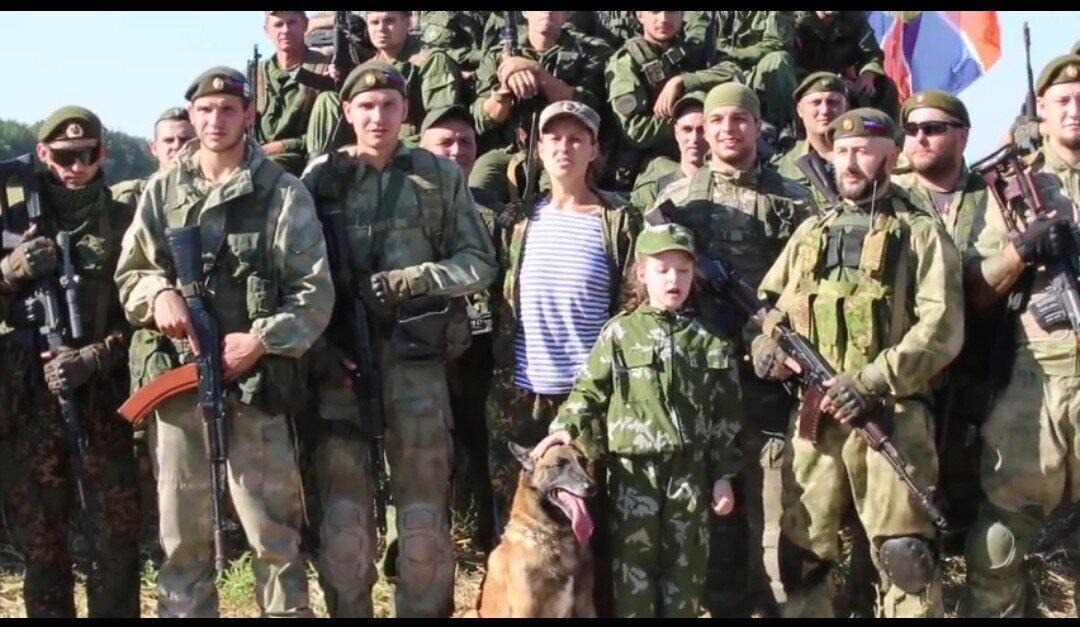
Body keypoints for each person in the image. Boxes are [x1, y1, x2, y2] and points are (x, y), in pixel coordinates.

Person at [114, 66, 332, 618]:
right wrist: (159, 295)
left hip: (255, 386)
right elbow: (132, 272)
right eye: (205, 111)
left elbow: (313, 294)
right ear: (192, 116)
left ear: (248, 115)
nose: (216, 120)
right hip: (180, 385)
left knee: (274, 537)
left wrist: (260, 339)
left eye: (228, 110)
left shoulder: (282, 192)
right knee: (181, 539)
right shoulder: (163, 190)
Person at [301, 60, 497, 618]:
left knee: (422, 516)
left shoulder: (438, 176)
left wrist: (411, 280)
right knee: (344, 519)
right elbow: (297, 276)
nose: (378, 117)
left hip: (417, 362)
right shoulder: (321, 180)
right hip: (342, 367)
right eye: (365, 106)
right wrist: (323, 350)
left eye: (389, 105)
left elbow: (479, 262)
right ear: (347, 112)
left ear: (406, 111)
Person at [751, 107, 964, 618]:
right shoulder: (811, 232)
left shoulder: (919, 233)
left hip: (891, 416)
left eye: (863, 152)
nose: (849, 162)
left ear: (891, 157)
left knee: (905, 558)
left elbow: (942, 329)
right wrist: (765, 348)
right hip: (815, 421)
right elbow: (767, 307)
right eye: (841, 151)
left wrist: (871, 380)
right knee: (802, 556)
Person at [649, 82, 814, 617]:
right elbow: (651, 287)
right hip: (702, 381)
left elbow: (810, 285)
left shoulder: (795, 199)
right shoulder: (679, 201)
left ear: (757, 125)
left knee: (775, 513)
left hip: (772, 380)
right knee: (714, 512)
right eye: (716, 120)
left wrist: (773, 336)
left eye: (739, 119)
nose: (726, 129)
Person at [532, 222, 743, 618]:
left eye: (683, 270)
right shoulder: (619, 334)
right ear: (642, 274)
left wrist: (723, 474)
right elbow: (590, 390)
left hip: (689, 474)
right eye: (662, 270)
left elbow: (726, 417)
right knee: (633, 574)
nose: (673, 280)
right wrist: (564, 428)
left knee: (686, 573)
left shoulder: (711, 341)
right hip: (633, 475)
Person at [0, 105, 141, 618]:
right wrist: (11, 270)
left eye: (87, 154)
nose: (77, 166)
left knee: (115, 544)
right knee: (41, 546)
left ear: (103, 153)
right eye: (64, 156)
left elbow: (146, 318)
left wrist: (96, 357)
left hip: (104, 400)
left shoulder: (127, 221)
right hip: (29, 402)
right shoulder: (12, 220)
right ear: (42, 154)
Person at [961, 54, 1080, 618]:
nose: (1075, 109)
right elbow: (977, 287)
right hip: (1038, 379)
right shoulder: (1015, 185)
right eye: (1064, 100)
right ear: (1043, 111)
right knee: (999, 543)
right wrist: (1022, 251)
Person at [418, 104, 501, 554]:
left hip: (481, 348)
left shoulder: (493, 211)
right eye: (444, 142)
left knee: (483, 443)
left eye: (465, 141)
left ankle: (489, 536)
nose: (456, 150)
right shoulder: (411, 208)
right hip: (423, 347)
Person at [470, 11, 612, 203]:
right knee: (478, 189)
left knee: (559, 196)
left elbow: (588, 108)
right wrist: (505, 88)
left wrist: (537, 71)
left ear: (567, 15)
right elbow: (483, 119)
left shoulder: (589, 52)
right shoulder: (498, 55)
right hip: (510, 150)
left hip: (562, 148)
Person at [603, 11, 740, 190]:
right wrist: (683, 121)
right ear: (640, 16)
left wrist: (683, 81)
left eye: (671, 11)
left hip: (705, 148)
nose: (663, 19)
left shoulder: (689, 50)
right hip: (653, 159)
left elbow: (733, 71)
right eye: (655, 12)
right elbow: (635, 131)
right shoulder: (626, 61)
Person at [255, 10, 334, 176]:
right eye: (278, 24)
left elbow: (333, 127)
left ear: (305, 24)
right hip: (259, 158)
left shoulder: (325, 67)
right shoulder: (256, 76)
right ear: (267, 30)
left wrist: (284, 146)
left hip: (309, 161)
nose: (285, 30)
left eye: (292, 23)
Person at [791, 11, 900, 120]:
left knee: (884, 86)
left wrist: (868, 73)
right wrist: (834, 82)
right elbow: (791, 63)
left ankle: (881, 127)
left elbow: (871, 53)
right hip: (803, 80)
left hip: (842, 80)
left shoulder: (852, 18)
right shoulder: (795, 21)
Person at [772, 71, 849, 203]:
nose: (825, 110)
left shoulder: (865, 158)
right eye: (816, 102)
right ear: (800, 110)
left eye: (833, 102)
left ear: (845, 108)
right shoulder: (782, 167)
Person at [630, 91, 707, 210]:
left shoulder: (730, 186)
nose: (694, 138)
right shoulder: (655, 190)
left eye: (702, 130)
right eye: (687, 129)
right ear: (676, 132)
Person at [110, 107, 195, 208]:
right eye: (169, 140)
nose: (177, 146)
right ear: (154, 148)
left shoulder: (209, 193)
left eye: (185, 140)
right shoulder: (131, 197)